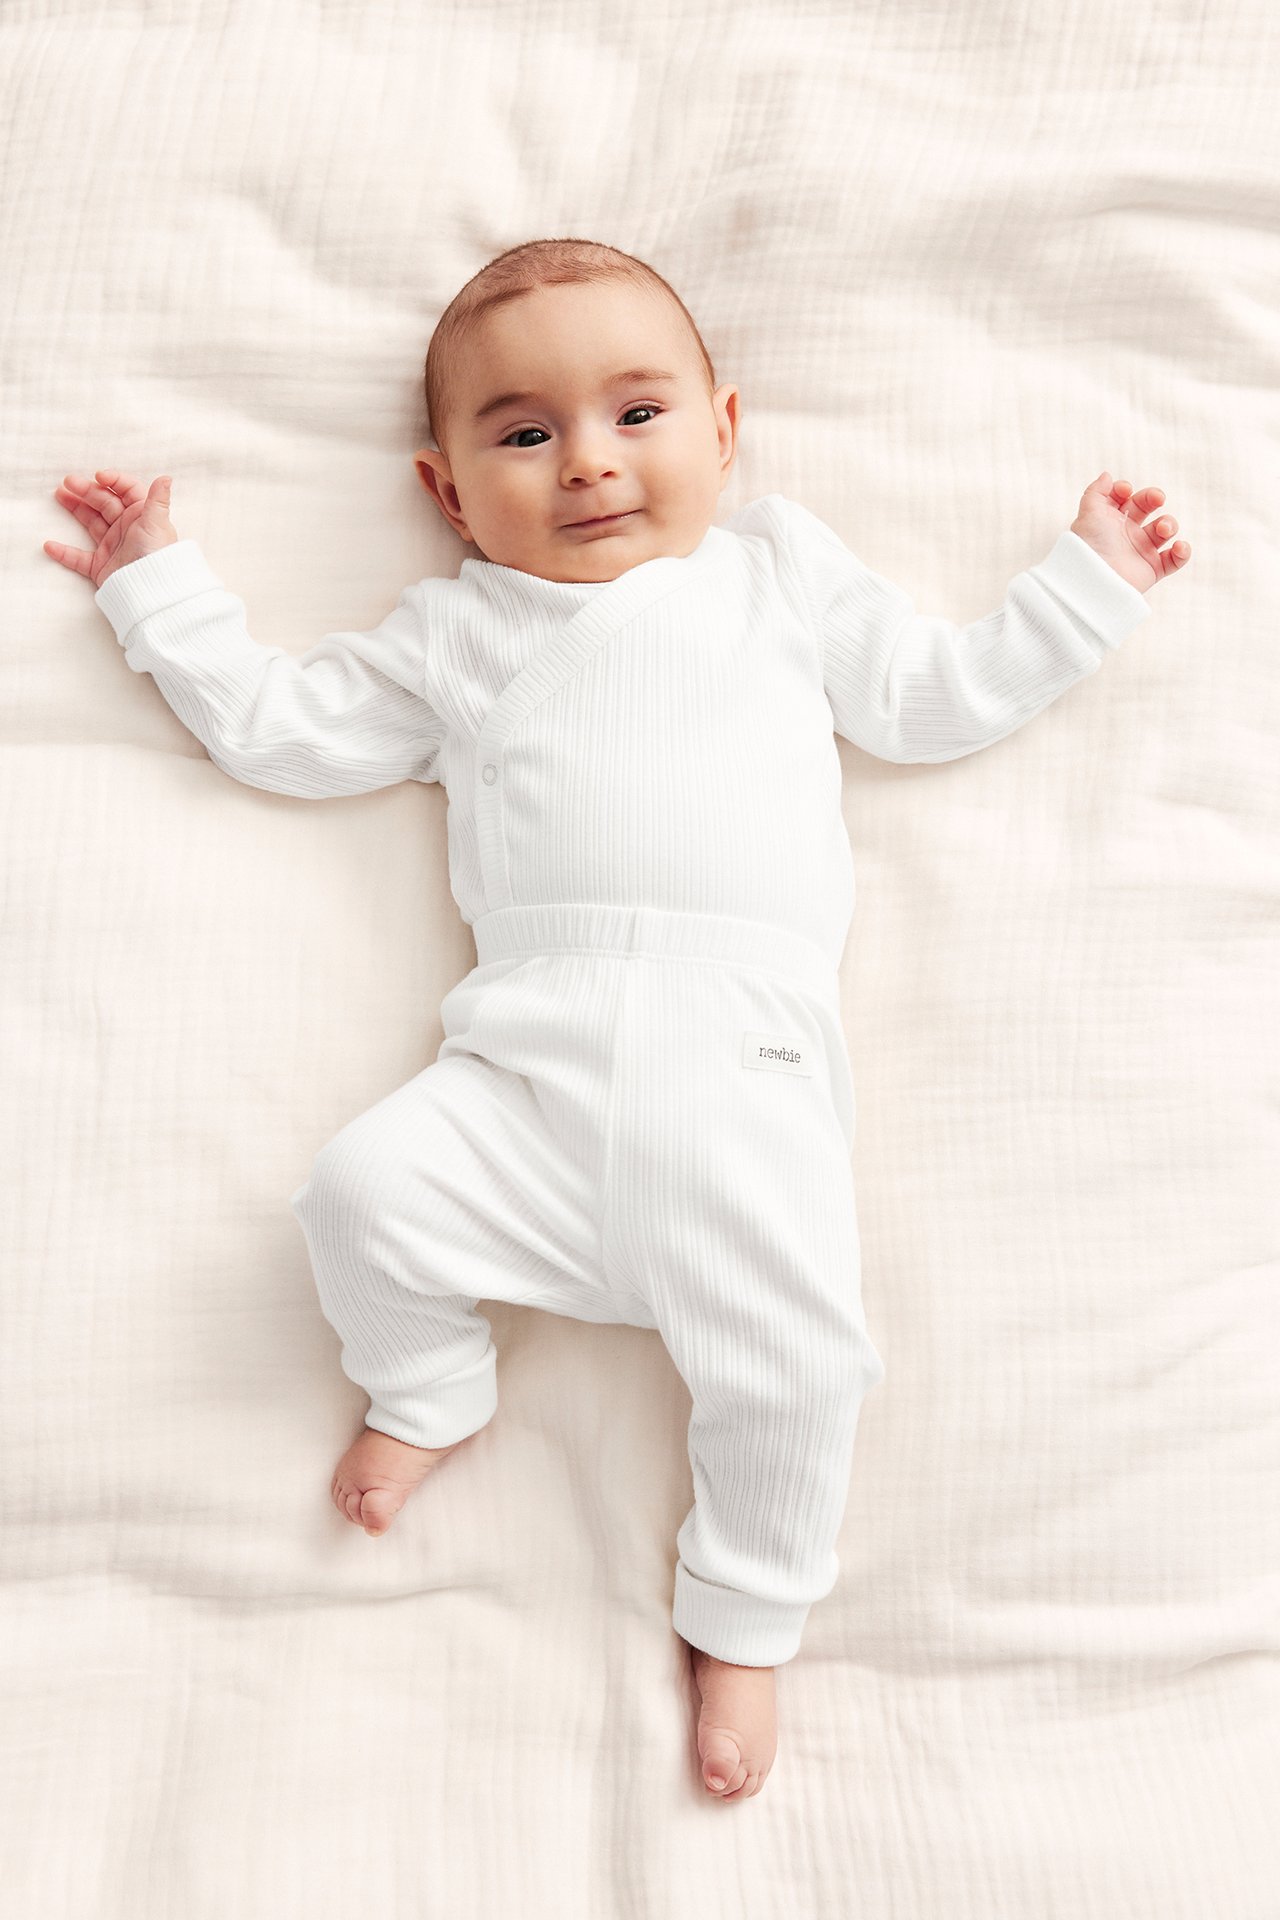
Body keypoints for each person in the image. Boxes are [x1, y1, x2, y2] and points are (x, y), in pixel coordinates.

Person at [44, 236, 1190, 1804]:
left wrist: (1081, 590)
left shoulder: (778, 572)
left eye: (635, 415)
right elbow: (282, 732)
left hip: (747, 1067)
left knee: (799, 1366)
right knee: (358, 1196)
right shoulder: (457, 632)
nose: (586, 462)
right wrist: (155, 590)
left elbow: (933, 698)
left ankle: (745, 1612)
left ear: (725, 430)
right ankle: (430, 1385)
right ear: (450, 493)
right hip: (528, 1067)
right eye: (523, 434)